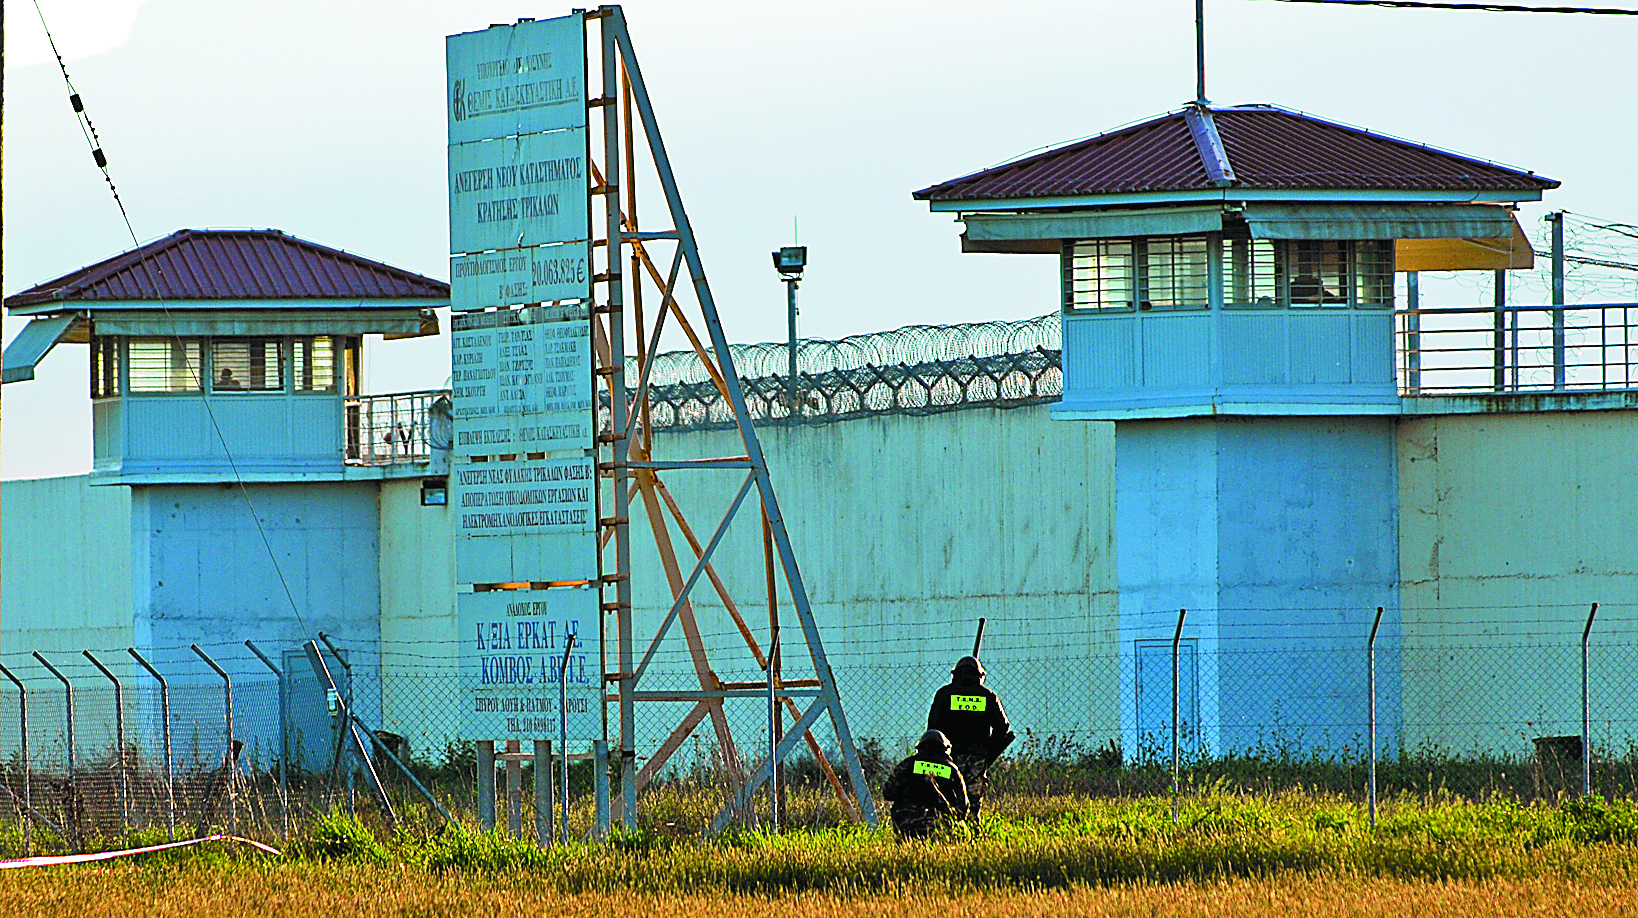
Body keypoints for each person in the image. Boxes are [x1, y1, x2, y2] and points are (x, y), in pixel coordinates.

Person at [927, 656, 1014, 822]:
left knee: (948, 796)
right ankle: (972, 831)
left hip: (948, 758)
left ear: (955, 674)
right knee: (973, 800)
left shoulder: (944, 694)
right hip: (977, 757)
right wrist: (989, 749)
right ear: (979, 675)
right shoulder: (988, 696)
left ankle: (949, 830)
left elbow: (933, 727)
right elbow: (1003, 727)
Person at [881, 729, 968, 839]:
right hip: (938, 824)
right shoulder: (951, 770)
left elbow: (888, 793)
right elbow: (963, 805)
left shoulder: (907, 765)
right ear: (945, 749)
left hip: (906, 823)